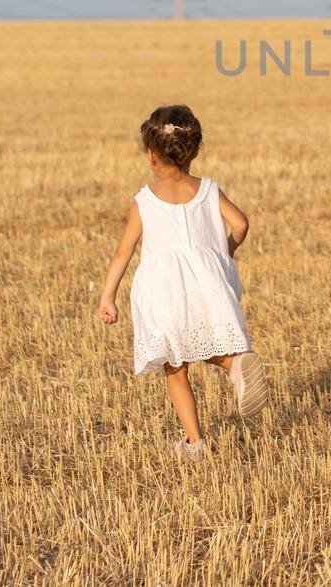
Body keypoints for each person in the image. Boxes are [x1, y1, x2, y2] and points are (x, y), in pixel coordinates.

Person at [98, 104, 267, 459]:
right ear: (193, 149)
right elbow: (241, 224)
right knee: (209, 342)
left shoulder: (144, 200)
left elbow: (122, 253)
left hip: (164, 290)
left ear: (151, 154)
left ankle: (195, 443)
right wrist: (224, 253)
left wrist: (107, 297)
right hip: (209, 283)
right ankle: (235, 365)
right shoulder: (208, 189)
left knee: (175, 365)